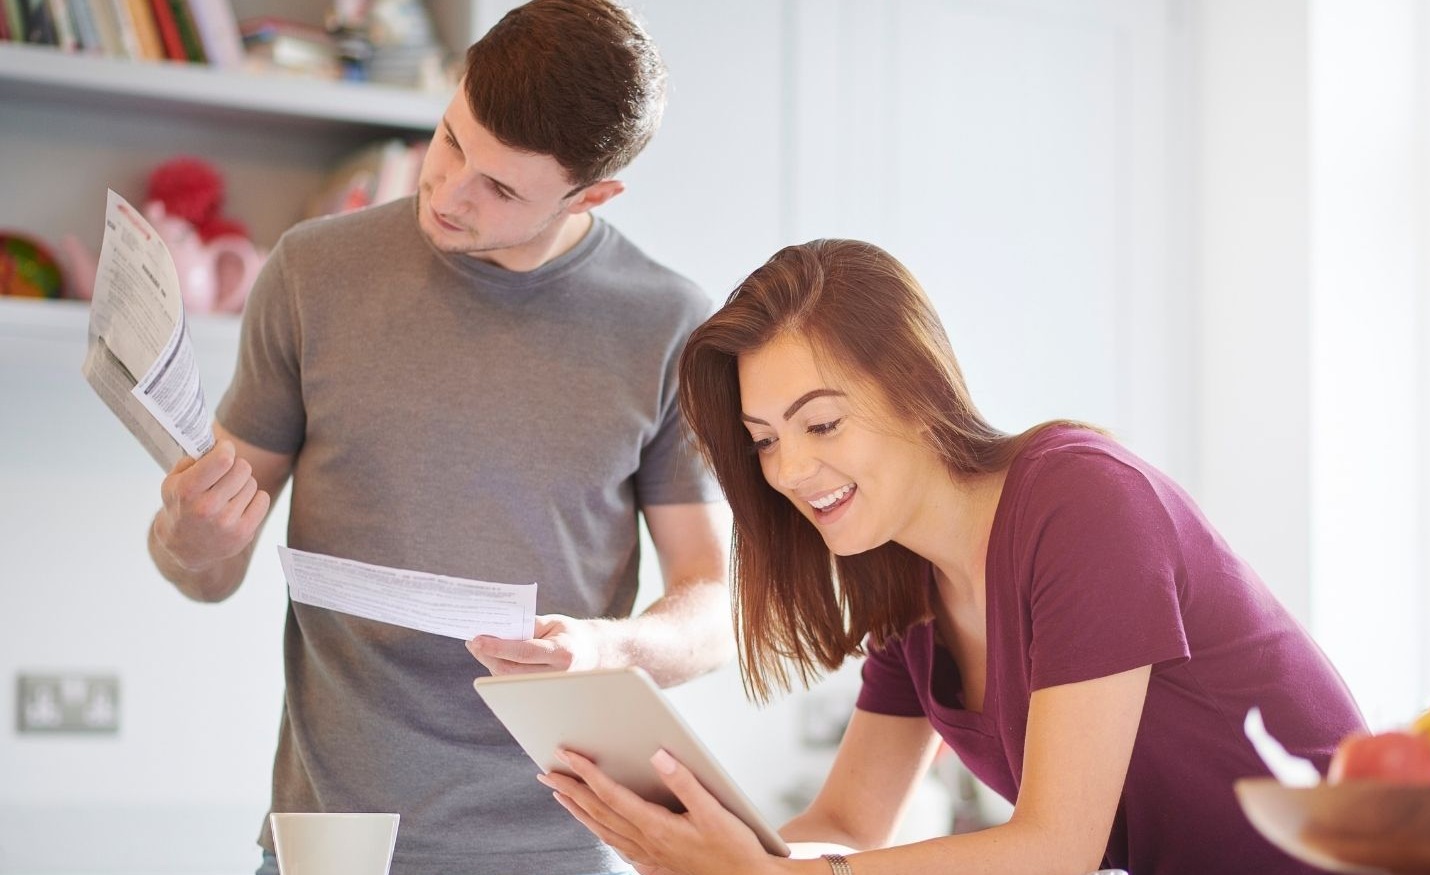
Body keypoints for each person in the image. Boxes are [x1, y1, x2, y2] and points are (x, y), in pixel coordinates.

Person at [537, 239, 1368, 875]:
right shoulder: (911, 584)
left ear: (917, 388)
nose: (788, 470)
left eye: (822, 423)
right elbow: (852, 823)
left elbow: (1056, 849)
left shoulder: (1083, 500)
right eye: (764, 442)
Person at [146, 2, 734, 873]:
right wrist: (188, 538)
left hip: (554, 848)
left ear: (593, 194)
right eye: (452, 140)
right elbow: (206, 570)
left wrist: (607, 649)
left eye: (501, 188)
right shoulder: (311, 273)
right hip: (331, 846)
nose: (448, 192)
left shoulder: (669, 324)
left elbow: (713, 607)